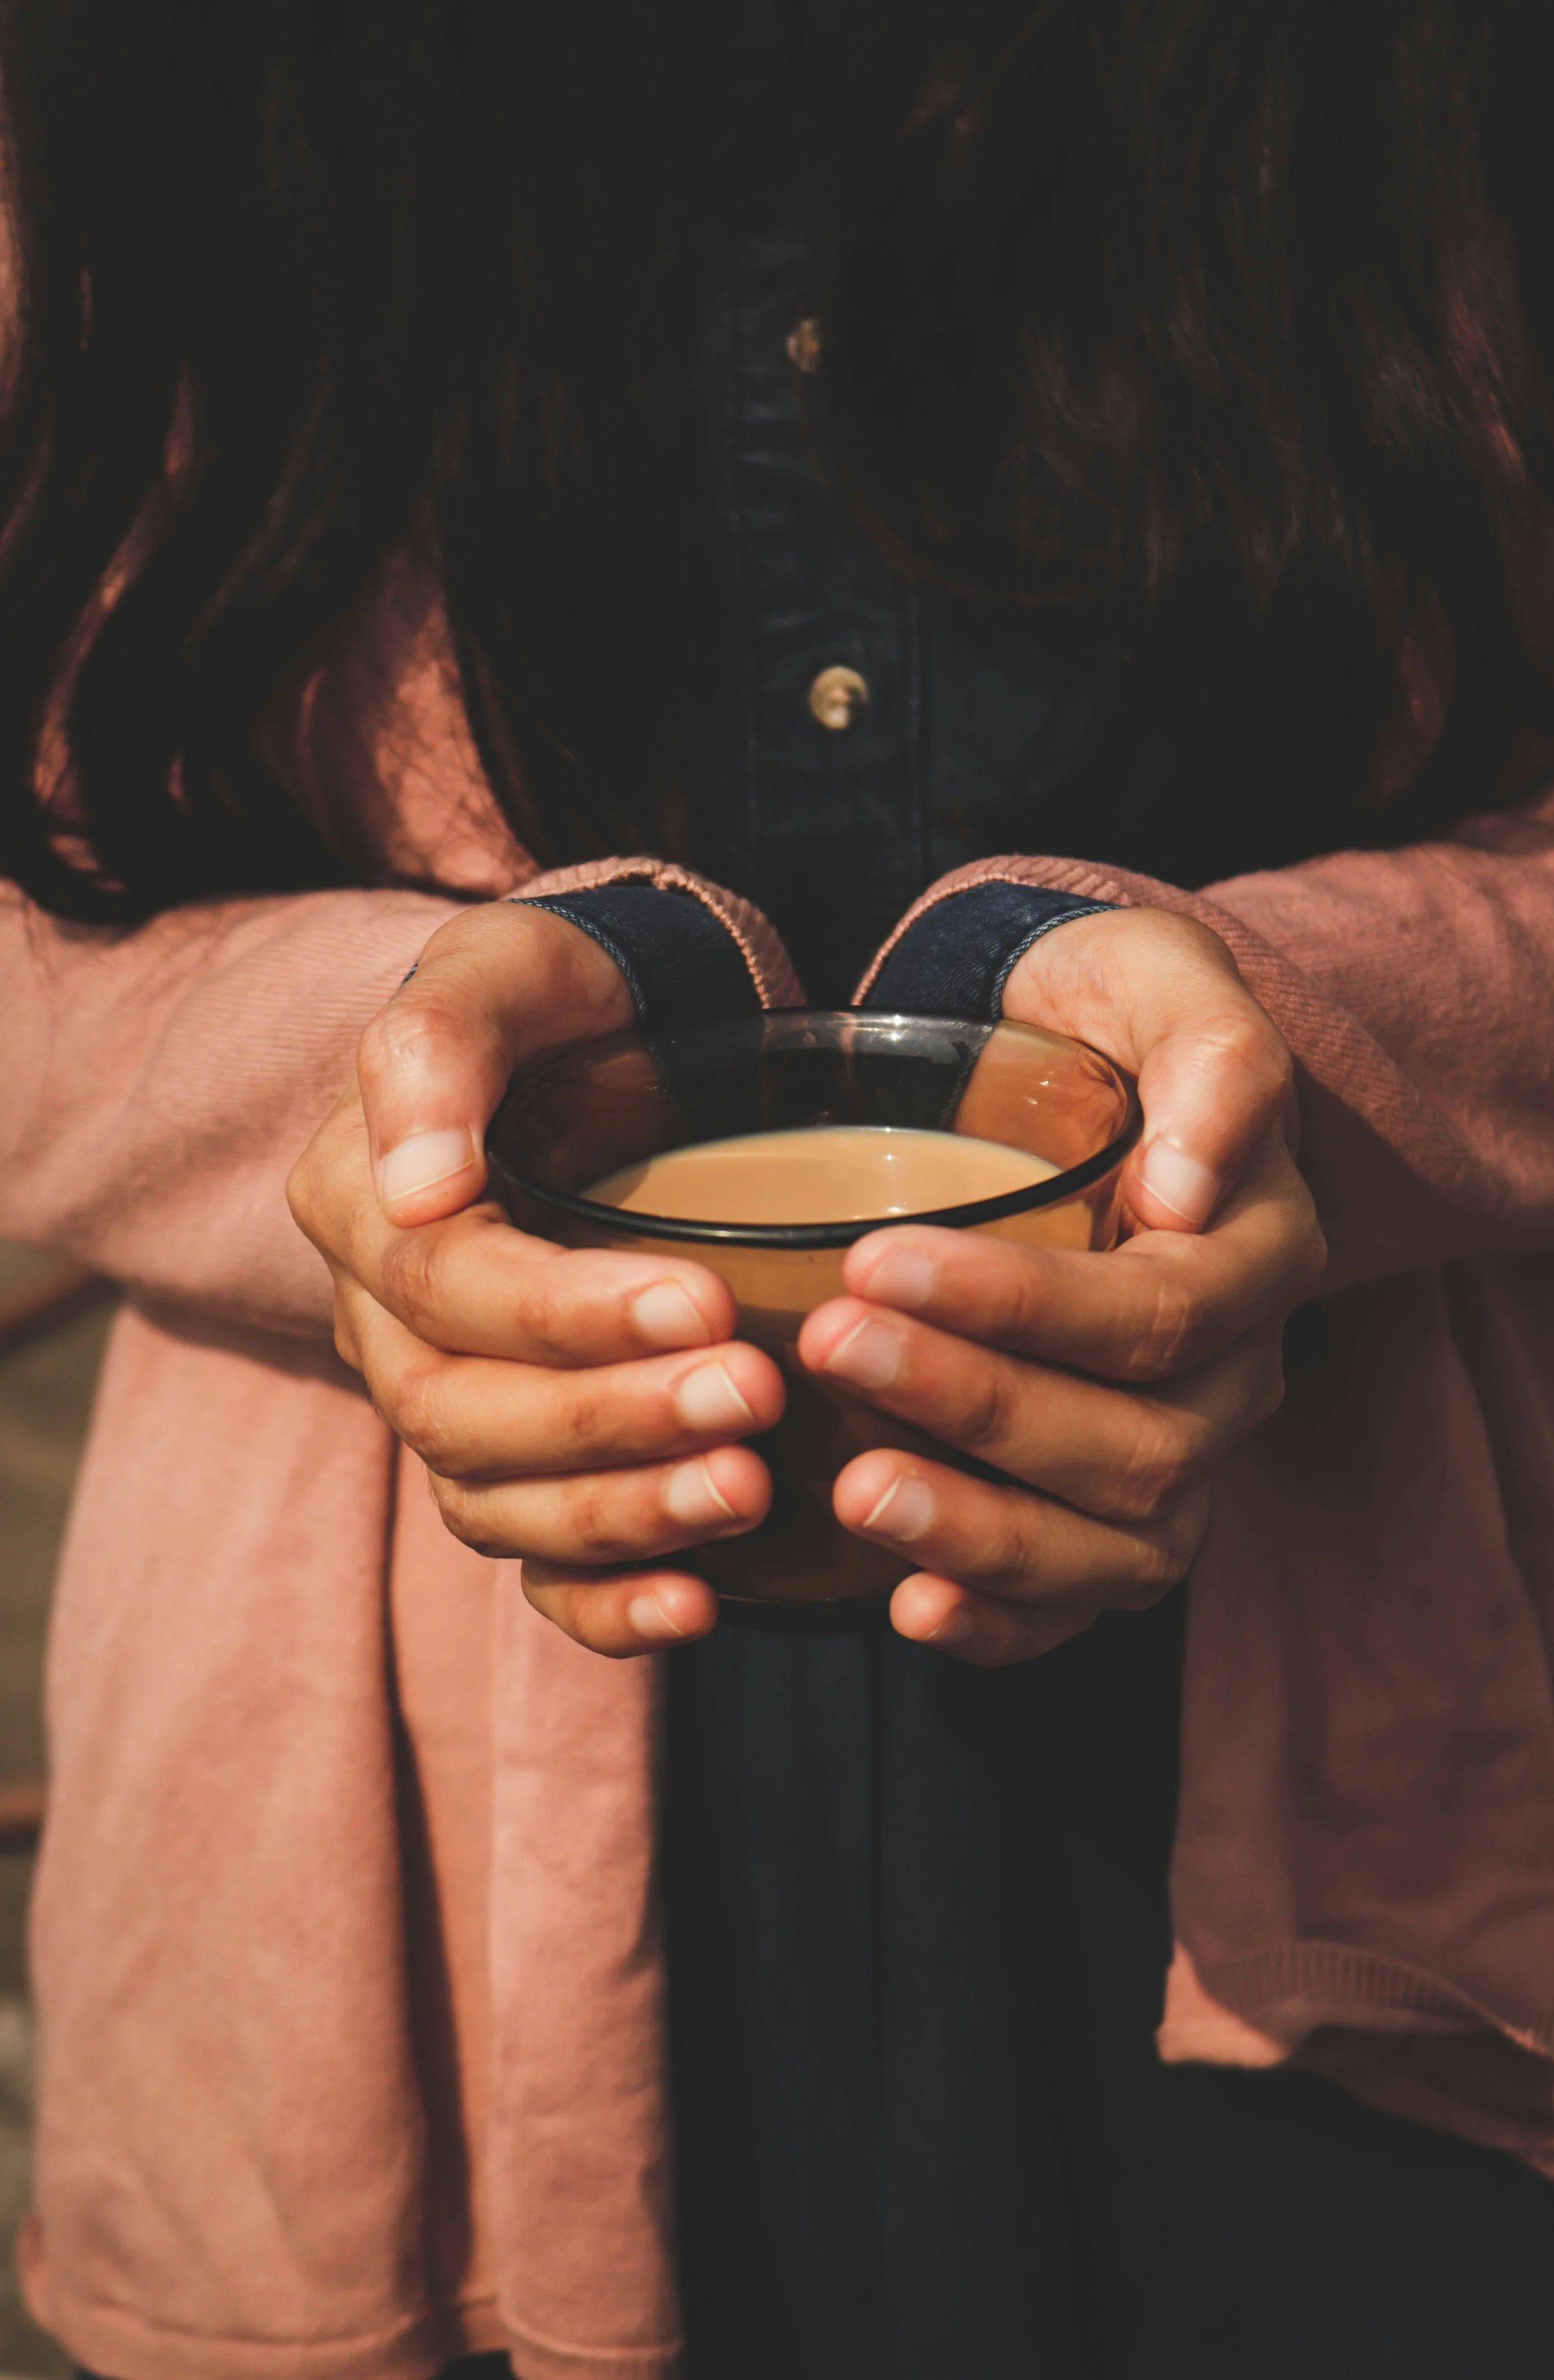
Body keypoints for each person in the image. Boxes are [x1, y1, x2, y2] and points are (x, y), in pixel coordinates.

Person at [3, 4, 1553, 2375]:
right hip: (387, 1934)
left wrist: (1283, 1055)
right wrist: (398, 1081)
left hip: (1349, 1927)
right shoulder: (120, 98)